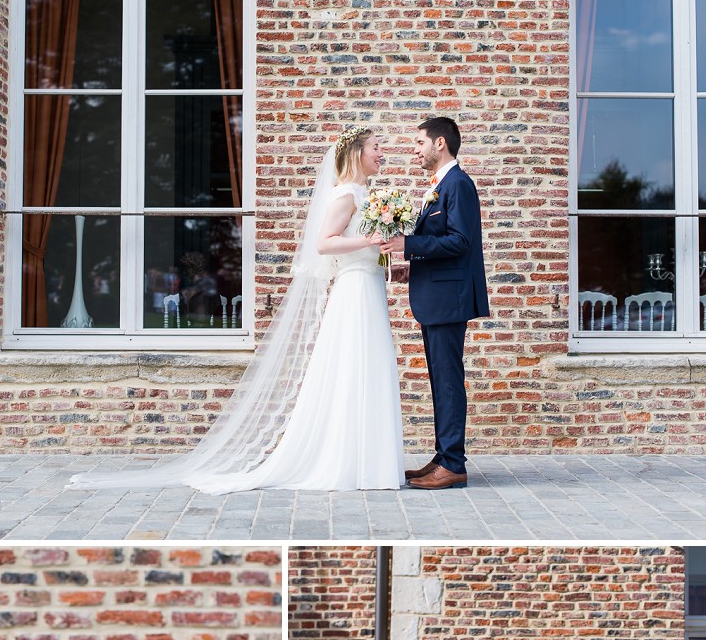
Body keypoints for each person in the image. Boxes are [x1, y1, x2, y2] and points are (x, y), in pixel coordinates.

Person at [68, 127, 404, 494]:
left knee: (371, 365)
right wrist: (370, 239)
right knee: (354, 367)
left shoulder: (365, 194)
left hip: (368, 283)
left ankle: (370, 464)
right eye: (375, 147)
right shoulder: (345, 193)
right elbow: (324, 243)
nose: (381, 152)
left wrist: (385, 257)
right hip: (353, 291)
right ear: (356, 152)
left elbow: (362, 246)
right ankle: (347, 463)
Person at [381, 117, 490, 491]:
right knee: (440, 381)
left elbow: (461, 242)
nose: (415, 149)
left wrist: (407, 245)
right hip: (437, 296)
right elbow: (445, 245)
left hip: (449, 301)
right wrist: (415, 269)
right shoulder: (440, 186)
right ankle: (443, 457)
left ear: (439, 143)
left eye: (419, 142)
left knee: (447, 382)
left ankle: (454, 464)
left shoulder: (459, 184)